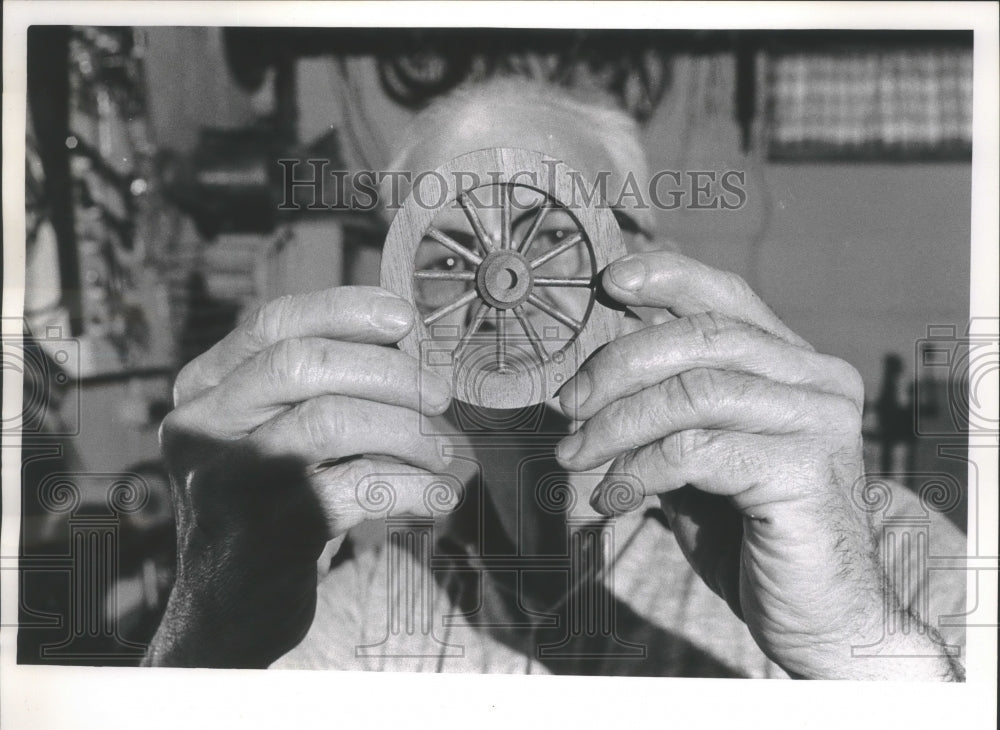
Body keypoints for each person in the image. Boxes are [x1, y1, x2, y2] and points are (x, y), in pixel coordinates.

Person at [142, 78, 966, 679]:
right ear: (397, 309)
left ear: (646, 260)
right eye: (448, 253)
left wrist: (860, 644)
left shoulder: (876, 551)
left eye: (551, 229)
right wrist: (209, 637)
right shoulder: (349, 614)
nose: (504, 277)